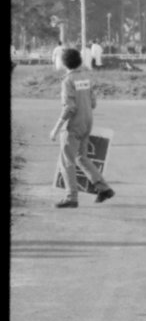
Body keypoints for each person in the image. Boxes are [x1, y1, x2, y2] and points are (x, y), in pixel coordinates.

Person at [50, 46, 116, 208]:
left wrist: (56, 128)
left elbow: (69, 107)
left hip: (73, 125)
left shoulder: (67, 80)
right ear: (79, 60)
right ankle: (103, 188)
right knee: (81, 157)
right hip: (87, 122)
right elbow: (93, 103)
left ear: (64, 63)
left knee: (66, 161)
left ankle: (71, 197)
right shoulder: (86, 77)